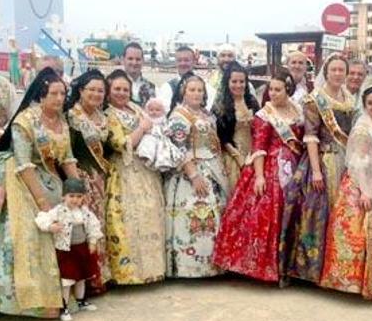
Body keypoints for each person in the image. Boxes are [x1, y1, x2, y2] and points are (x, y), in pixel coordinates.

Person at [0, 67, 80, 319]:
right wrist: (41, 200)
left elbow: (67, 157)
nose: (60, 99)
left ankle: (65, 295)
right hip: (21, 179)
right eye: (54, 94)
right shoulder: (24, 120)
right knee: (28, 232)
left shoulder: (61, 121)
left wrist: (79, 189)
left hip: (50, 177)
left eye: (63, 93)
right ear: (41, 95)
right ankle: (24, 300)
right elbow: (24, 163)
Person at [213, 69, 304, 284]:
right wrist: (260, 176)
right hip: (270, 168)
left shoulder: (297, 111)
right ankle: (266, 266)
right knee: (266, 216)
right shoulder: (264, 115)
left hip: (294, 166)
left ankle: (288, 267)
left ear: (288, 90)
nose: (273, 93)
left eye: (278, 89)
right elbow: (259, 147)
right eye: (271, 89)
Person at [280, 54, 358, 283]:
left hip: (346, 159)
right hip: (323, 160)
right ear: (326, 71)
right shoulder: (315, 99)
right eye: (333, 69)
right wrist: (315, 170)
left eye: (341, 70)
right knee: (317, 214)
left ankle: (334, 268)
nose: (337, 74)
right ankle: (312, 270)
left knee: (340, 213)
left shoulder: (350, 98)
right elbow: (311, 136)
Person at [319, 86, 372, 299]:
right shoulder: (362, 128)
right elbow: (357, 162)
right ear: (365, 105)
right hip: (360, 185)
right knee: (355, 231)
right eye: (370, 103)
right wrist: (364, 191)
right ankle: (349, 281)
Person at [102, 69, 167, 285]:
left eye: (125, 89)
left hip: (145, 168)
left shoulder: (136, 108)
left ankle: (152, 269)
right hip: (125, 169)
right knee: (130, 216)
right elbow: (119, 143)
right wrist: (141, 129)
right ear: (109, 91)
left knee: (150, 214)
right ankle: (129, 273)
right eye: (117, 89)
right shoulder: (108, 114)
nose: (121, 93)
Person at [163, 74, 228, 277]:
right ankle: (189, 266)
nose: (196, 93)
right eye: (192, 90)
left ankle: (213, 264)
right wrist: (193, 175)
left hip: (212, 167)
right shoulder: (179, 116)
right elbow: (179, 149)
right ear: (184, 92)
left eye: (200, 90)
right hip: (190, 172)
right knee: (193, 214)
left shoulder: (207, 114)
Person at [65, 69, 124, 290]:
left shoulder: (105, 117)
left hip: (101, 178)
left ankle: (99, 276)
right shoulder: (72, 116)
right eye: (92, 89)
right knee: (81, 228)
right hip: (78, 178)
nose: (96, 94)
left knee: (98, 227)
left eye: (101, 91)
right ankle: (81, 281)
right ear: (81, 90)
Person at [35, 178, 103, 321]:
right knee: (67, 280)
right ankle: (64, 308)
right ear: (63, 197)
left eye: (79, 196)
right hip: (67, 251)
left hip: (82, 249)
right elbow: (42, 218)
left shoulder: (84, 212)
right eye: (71, 196)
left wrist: (92, 240)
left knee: (82, 278)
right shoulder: (58, 211)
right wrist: (50, 227)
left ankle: (81, 301)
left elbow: (93, 225)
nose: (75, 200)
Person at [213, 61, 260, 196]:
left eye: (242, 81)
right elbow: (222, 137)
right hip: (232, 156)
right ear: (227, 82)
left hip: (253, 154)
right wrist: (239, 158)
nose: (238, 85)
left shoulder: (252, 101)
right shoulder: (220, 105)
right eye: (234, 81)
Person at [123, 42, 156, 106]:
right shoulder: (112, 85)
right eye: (130, 59)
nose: (134, 63)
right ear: (123, 60)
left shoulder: (152, 88)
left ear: (143, 61)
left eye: (138, 59)